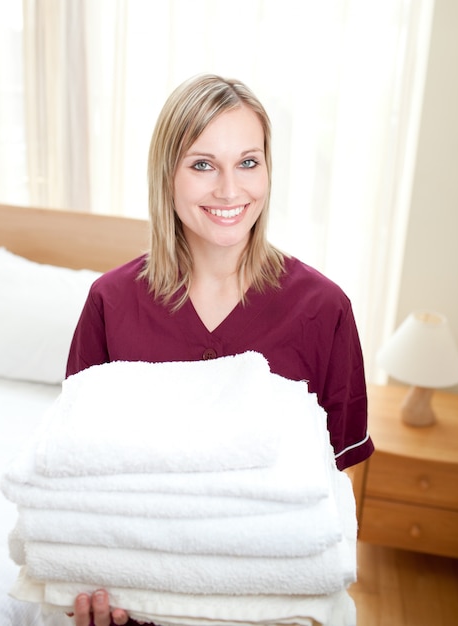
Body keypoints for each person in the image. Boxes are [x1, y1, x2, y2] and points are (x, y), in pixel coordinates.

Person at [66, 73, 374, 626]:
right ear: (168, 175)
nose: (230, 191)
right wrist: (92, 577)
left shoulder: (323, 310)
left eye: (248, 162)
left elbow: (332, 494)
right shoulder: (109, 303)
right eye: (203, 164)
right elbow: (82, 471)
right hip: (136, 605)